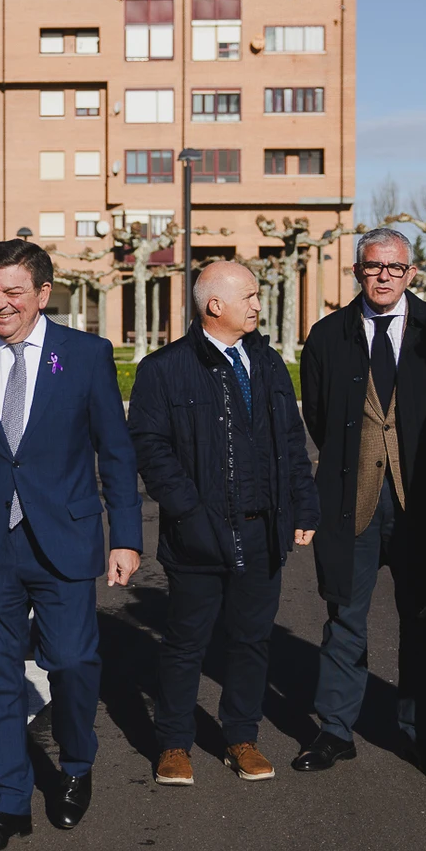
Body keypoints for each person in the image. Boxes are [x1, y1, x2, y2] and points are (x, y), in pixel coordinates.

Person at [0, 239, 142, 851]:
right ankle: (8, 802)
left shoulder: (87, 356)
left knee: (71, 661)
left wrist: (125, 536)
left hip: (62, 539)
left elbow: (116, 454)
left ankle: (74, 765)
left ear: (44, 294)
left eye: (13, 293)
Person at [126, 261, 318, 787]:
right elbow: (150, 446)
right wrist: (188, 510)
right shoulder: (164, 368)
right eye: (250, 296)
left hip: (263, 530)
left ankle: (241, 738)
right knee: (186, 644)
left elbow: (290, 445)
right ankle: (173, 744)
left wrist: (303, 506)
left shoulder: (270, 364)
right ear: (215, 305)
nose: (258, 304)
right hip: (197, 534)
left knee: (252, 642)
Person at [293, 229, 426, 774]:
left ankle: (420, 732)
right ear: (357, 271)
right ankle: (334, 730)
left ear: (411, 273)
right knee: (344, 617)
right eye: (374, 268)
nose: (383, 278)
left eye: (395, 269)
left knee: (422, 621)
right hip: (353, 501)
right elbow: (320, 420)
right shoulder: (328, 336)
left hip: (422, 503)